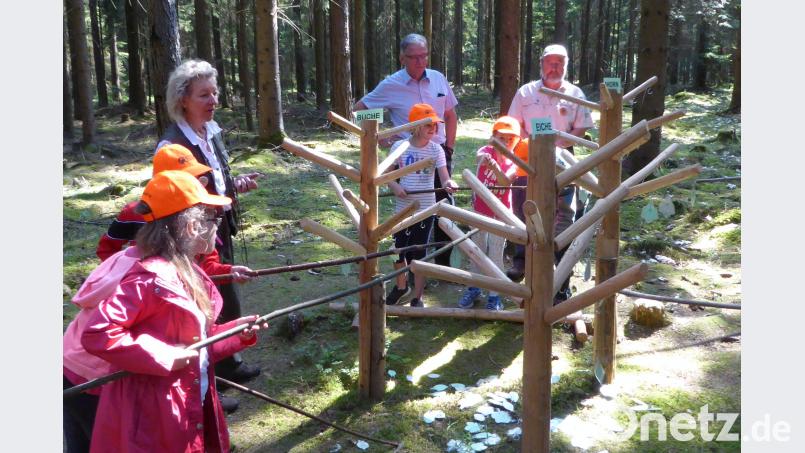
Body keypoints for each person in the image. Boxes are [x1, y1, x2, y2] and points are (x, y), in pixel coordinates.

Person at [81, 171, 268, 453]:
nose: (217, 226)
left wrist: (235, 333)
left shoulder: (189, 271)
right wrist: (165, 356)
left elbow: (193, 348)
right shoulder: (150, 279)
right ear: (193, 227)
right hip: (156, 416)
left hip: (189, 399)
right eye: (214, 218)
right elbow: (98, 333)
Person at [157, 59, 262, 383]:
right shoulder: (172, 145)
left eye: (214, 93)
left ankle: (227, 363)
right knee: (200, 302)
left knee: (226, 293)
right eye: (204, 95)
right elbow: (170, 198)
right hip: (191, 237)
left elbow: (216, 179)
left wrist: (236, 183)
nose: (213, 101)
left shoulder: (211, 132)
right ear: (183, 100)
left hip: (218, 227)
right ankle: (207, 376)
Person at [354, 33, 459, 269]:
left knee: (443, 207)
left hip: (439, 152)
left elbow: (451, 115)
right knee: (411, 209)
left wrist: (449, 147)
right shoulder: (391, 84)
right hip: (408, 156)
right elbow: (360, 111)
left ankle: (442, 264)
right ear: (402, 58)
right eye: (414, 58)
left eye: (424, 56)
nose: (421, 62)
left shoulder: (438, 78)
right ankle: (410, 264)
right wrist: (381, 135)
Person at [506, 44, 593, 304]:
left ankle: (561, 281)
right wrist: (527, 148)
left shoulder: (575, 93)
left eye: (560, 63)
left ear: (566, 66)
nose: (554, 67)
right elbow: (514, 125)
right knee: (523, 212)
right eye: (550, 62)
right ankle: (521, 262)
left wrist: (560, 143)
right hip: (528, 162)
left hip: (565, 163)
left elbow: (582, 129)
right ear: (541, 63)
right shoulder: (526, 92)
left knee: (563, 220)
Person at [385, 104, 458, 307]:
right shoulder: (400, 147)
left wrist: (449, 184)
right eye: (428, 125)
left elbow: (444, 178)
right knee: (398, 250)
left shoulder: (437, 150)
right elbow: (385, 174)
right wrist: (395, 186)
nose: (433, 128)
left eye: (435, 124)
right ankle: (401, 287)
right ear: (416, 126)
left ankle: (418, 297)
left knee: (420, 254)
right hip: (403, 208)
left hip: (426, 210)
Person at [458, 116, 520, 311]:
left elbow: (505, 182)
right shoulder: (486, 151)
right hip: (479, 212)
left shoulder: (514, 161)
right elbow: (479, 157)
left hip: (500, 216)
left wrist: (496, 166)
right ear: (493, 138)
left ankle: (494, 295)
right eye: (502, 138)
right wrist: (488, 160)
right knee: (476, 252)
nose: (506, 142)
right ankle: (474, 288)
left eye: (510, 139)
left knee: (495, 255)